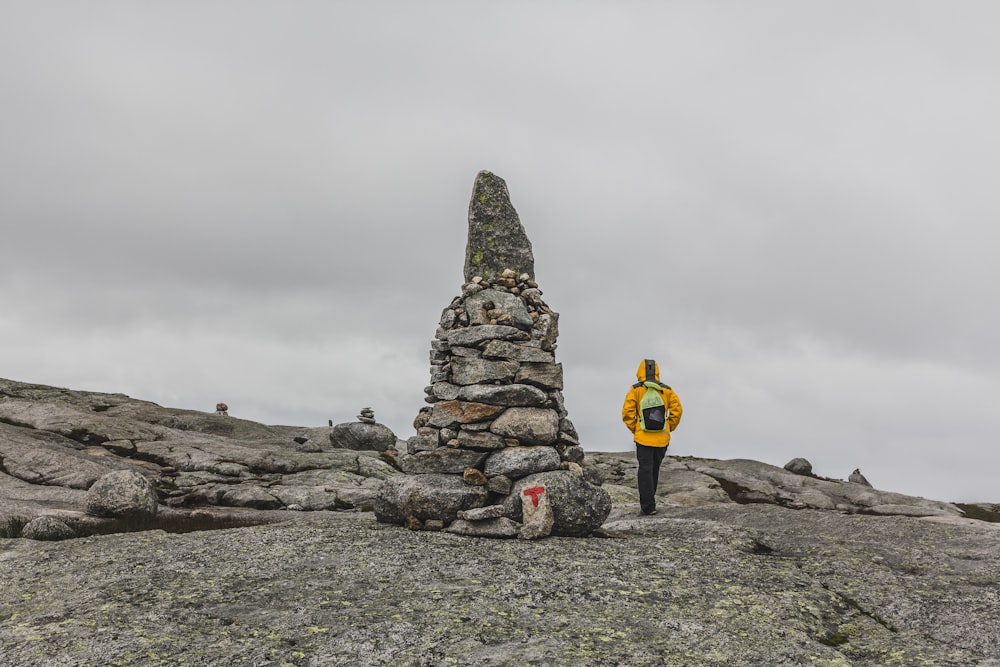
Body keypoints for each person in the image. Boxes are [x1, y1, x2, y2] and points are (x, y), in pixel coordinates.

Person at [621, 359, 682, 515]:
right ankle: (650, 502)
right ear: (657, 372)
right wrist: (669, 427)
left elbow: (627, 413)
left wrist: (635, 428)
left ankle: (648, 507)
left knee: (645, 470)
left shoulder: (635, 390)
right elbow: (677, 411)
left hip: (643, 438)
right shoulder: (667, 391)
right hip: (662, 439)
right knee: (654, 469)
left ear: (639, 372)